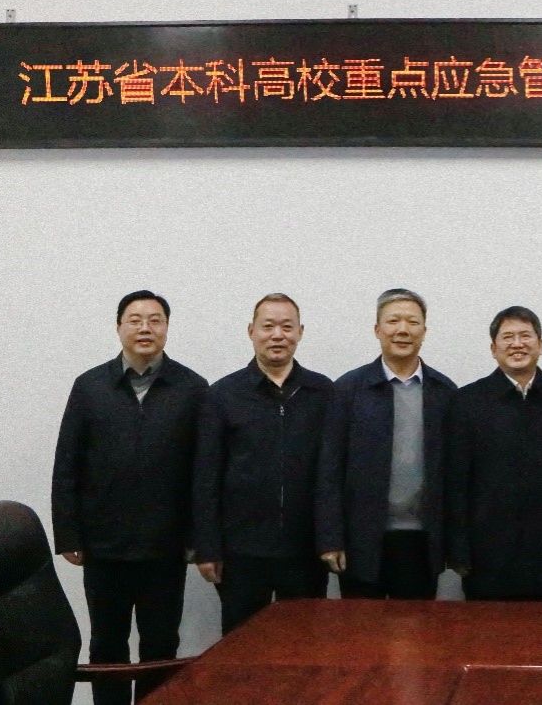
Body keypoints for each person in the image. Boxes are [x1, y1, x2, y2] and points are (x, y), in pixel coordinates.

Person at [51, 290, 207, 705]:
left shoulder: (192, 389)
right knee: (107, 644)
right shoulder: (89, 387)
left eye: (155, 320)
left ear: (167, 328)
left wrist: (199, 536)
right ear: (119, 327)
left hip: (166, 546)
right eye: (135, 320)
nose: (145, 328)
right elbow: (67, 463)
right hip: (104, 545)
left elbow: (203, 472)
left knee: (161, 645)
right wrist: (68, 534)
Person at [192, 293, 333, 633]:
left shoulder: (324, 393)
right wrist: (207, 547)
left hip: (305, 550)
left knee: (303, 644)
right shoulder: (222, 395)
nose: (277, 335)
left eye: (287, 327)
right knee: (241, 645)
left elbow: (332, 475)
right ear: (251, 331)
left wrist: (332, 538)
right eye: (268, 326)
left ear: (300, 332)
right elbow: (206, 477)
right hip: (241, 552)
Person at [315, 288, 457, 599]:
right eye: (393, 321)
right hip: (361, 539)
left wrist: (455, 544)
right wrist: (330, 538)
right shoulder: (349, 389)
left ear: (424, 331)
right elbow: (329, 470)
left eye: (412, 322)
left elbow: (455, 475)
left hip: (422, 540)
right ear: (377, 329)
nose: (402, 330)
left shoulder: (444, 392)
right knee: (362, 627)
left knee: (417, 627)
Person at [445, 306, 542, 601]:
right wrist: (457, 549)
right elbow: (455, 482)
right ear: (493, 349)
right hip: (485, 555)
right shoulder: (467, 402)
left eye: (525, 336)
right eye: (508, 337)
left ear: (540, 345)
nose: (517, 344)